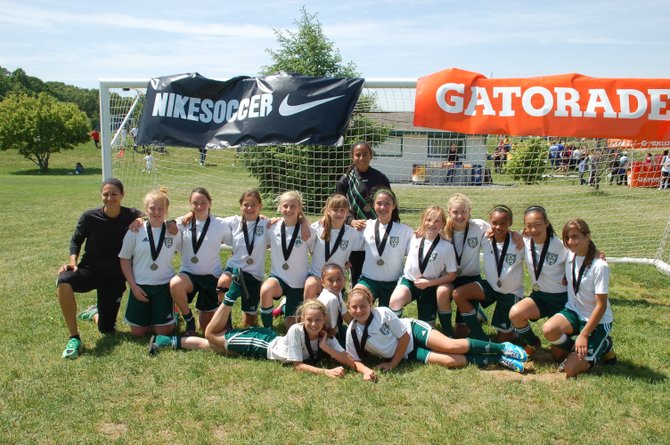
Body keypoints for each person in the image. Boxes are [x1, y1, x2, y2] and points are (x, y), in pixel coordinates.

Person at [345, 287, 528, 381]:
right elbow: (354, 360)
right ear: (348, 308)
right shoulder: (352, 332)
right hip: (407, 353)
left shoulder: (383, 313)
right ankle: (499, 359)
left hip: (413, 332)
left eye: (363, 305)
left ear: (371, 303)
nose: (359, 310)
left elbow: (404, 337)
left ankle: (502, 347)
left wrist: (393, 363)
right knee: (449, 361)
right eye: (354, 307)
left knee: (450, 346)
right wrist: (366, 371)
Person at [150, 300, 356, 379]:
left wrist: (328, 349)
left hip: (269, 341)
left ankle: (166, 341)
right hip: (261, 344)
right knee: (212, 335)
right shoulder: (296, 329)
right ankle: (231, 296)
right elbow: (298, 366)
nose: (314, 324)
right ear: (302, 319)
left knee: (217, 348)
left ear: (324, 320)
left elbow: (344, 358)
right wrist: (326, 372)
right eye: (309, 320)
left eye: (318, 320)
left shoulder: (325, 334)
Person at [57, 178, 143, 359]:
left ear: (122, 195)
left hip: (114, 277)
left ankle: (95, 313)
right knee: (64, 280)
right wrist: (73, 261)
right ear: (101, 196)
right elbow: (76, 241)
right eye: (106, 194)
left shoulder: (130, 215)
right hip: (90, 270)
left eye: (114, 194)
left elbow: (152, 215)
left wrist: (139, 219)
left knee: (107, 329)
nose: (110, 198)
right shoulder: (89, 217)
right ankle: (74, 337)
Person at [542, 219, 613, 377]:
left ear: (587, 236)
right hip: (574, 312)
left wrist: (584, 334)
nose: (570, 241)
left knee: (570, 370)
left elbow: (601, 306)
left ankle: (604, 345)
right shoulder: (570, 254)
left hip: (597, 322)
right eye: (567, 237)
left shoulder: (599, 266)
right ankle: (577, 348)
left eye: (575, 236)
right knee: (549, 332)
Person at [452, 205, 524, 342]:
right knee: (458, 293)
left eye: (503, 223)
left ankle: (515, 332)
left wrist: (516, 234)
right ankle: (479, 334)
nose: (498, 227)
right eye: (495, 223)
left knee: (502, 340)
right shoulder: (486, 238)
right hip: (491, 287)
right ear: (490, 223)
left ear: (510, 223)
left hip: (510, 293)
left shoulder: (518, 242)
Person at [119, 188, 181, 337]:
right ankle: (95, 313)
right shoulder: (135, 229)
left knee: (163, 333)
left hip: (163, 286)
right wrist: (133, 286)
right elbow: (125, 259)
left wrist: (174, 222)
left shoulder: (173, 231)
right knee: (138, 334)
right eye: (152, 208)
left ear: (166, 211)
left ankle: (174, 314)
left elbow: (190, 220)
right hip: (140, 287)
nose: (156, 212)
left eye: (161, 209)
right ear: (146, 210)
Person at [169, 188, 231, 335]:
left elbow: (237, 241)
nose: (199, 206)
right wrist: (139, 220)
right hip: (189, 275)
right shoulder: (182, 222)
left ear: (210, 203)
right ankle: (188, 319)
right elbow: (164, 224)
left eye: (203, 202)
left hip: (211, 276)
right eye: (195, 203)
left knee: (206, 328)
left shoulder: (220, 224)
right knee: (175, 284)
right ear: (190, 204)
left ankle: (208, 315)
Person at [508, 206, 568, 357]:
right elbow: (502, 233)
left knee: (558, 356)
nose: (533, 230)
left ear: (547, 223)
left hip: (561, 299)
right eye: (529, 226)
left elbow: (582, 255)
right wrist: (512, 233)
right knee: (516, 314)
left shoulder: (561, 246)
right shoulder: (524, 241)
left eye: (537, 225)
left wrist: (596, 255)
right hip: (539, 296)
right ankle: (533, 343)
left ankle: (584, 344)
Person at [389, 205, 457, 326]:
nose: (431, 224)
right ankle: (396, 333)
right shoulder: (413, 237)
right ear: (423, 221)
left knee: (427, 326)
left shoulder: (447, 247)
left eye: (436, 221)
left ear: (443, 224)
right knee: (395, 301)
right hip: (410, 282)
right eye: (428, 220)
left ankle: (445, 332)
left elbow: (452, 276)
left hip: (430, 286)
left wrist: (429, 283)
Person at [435, 194, 491, 337]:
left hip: (470, 279)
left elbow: (498, 230)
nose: (460, 216)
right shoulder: (442, 229)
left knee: (462, 332)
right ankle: (447, 332)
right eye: (455, 212)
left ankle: (477, 314)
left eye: (464, 211)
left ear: (469, 211)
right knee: (442, 292)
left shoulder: (479, 226)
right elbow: (424, 231)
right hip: (450, 278)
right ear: (449, 212)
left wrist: (513, 234)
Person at [336, 141, 391, 286]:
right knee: (357, 270)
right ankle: (357, 299)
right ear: (352, 157)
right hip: (356, 230)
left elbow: (390, 203)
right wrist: (351, 221)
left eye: (365, 154)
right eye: (358, 155)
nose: (362, 158)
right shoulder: (346, 179)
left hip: (377, 229)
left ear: (371, 155)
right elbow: (338, 206)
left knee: (377, 264)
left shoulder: (381, 177)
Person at [260, 191, 315, 330]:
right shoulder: (272, 227)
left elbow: (315, 252)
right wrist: (259, 217)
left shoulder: (307, 230)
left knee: (291, 326)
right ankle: (267, 330)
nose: (289, 209)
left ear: (299, 208)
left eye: (293, 206)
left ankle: (284, 306)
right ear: (279, 207)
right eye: (285, 206)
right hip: (278, 277)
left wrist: (303, 222)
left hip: (298, 282)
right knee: (266, 289)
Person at [216, 190, 269, 328]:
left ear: (260, 206)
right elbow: (210, 220)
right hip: (235, 269)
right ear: (240, 206)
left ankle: (252, 315)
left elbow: (288, 222)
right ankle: (226, 323)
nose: (250, 208)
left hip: (254, 275)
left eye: (254, 205)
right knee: (223, 283)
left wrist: (304, 221)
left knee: (248, 325)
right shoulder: (233, 222)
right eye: (246, 205)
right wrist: (190, 214)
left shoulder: (267, 224)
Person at [353, 188, 413, 308]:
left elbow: (419, 249)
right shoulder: (365, 226)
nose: (382, 207)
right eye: (379, 203)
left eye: (387, 204)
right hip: (369, 280)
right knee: (357, 300)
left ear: (394, 206)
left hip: (393, 282)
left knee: (387, 321)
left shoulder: (404, 231)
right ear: (373, 205)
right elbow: (346, 239)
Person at [304, 194, 364, 299]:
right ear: (328, 210)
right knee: (310, 285)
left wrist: (350, 260)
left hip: (336, 279)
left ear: (347, 212)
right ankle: (308, 314)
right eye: (335, 210)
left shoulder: (351, 233)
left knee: (330, 304)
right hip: (317, 275)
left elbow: (366, 247)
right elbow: (309, 248)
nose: (339, 213)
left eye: (342, 210)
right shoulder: (317, 227)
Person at [317, 263, 350, 346]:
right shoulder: (331, 299)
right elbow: (331, 330)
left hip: (337, 327)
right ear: (322, 282)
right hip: (324, 334)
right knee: (356, 347)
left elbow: (345, 314)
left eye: (339, 279)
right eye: (330, 280)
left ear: (344, 279)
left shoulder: (337, 292)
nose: (335, 284)